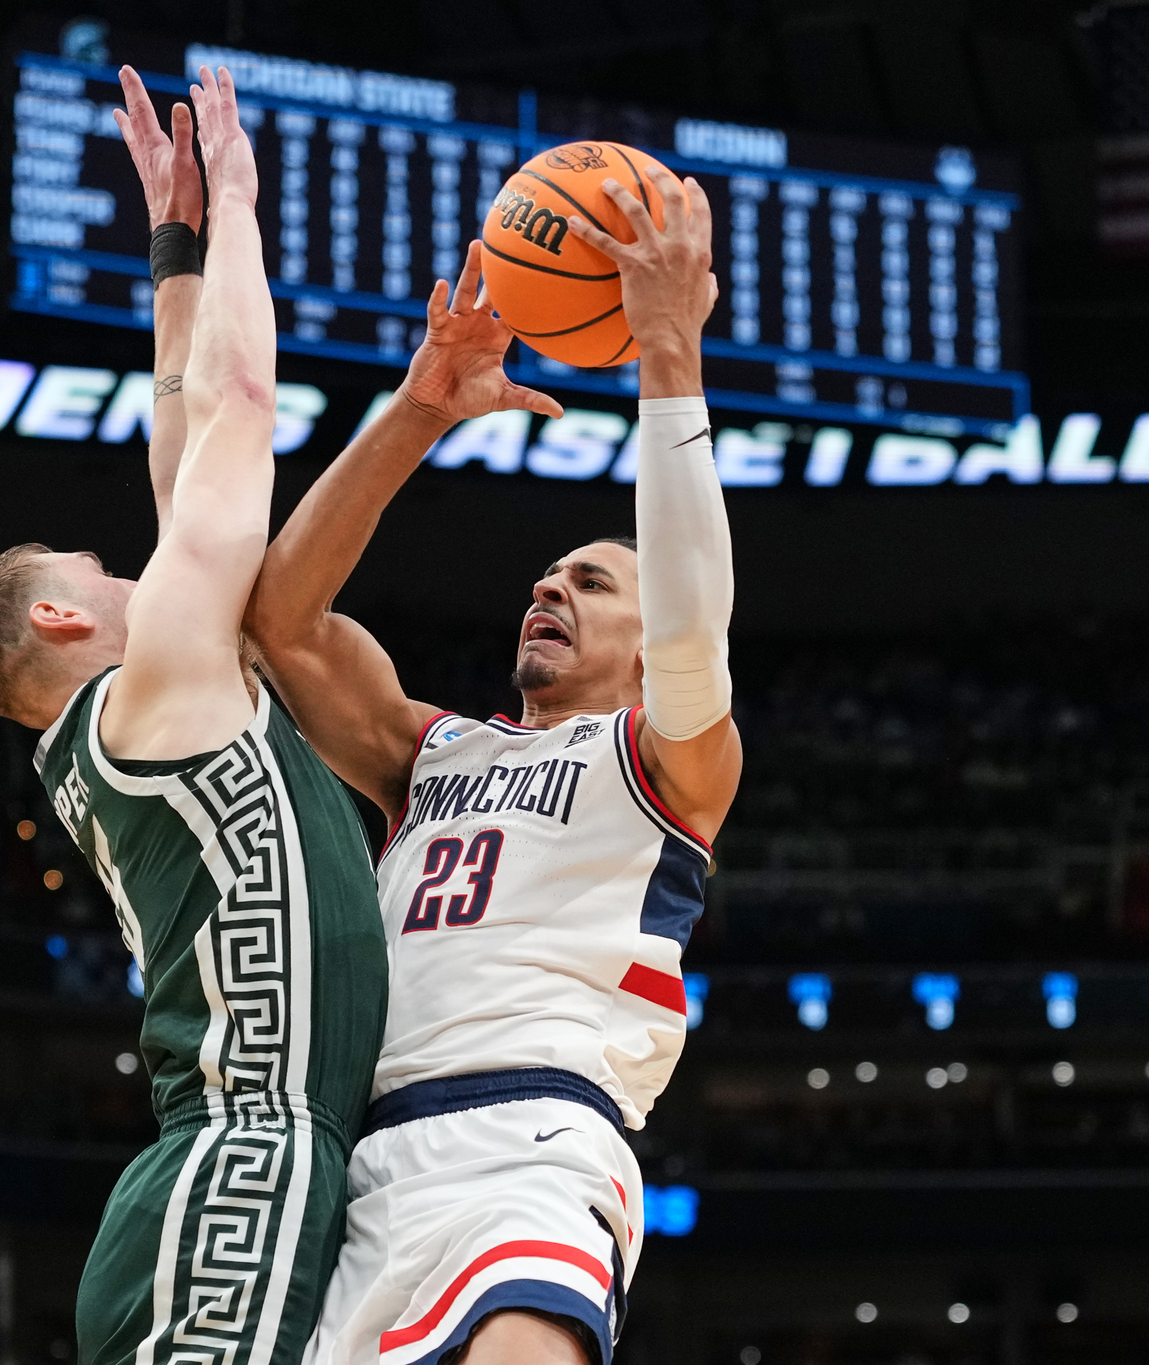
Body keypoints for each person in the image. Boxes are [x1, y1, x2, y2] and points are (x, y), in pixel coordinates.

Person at [0, 67, 386, 1365]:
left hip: (253, 1161)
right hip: (242, 1158)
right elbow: (232, 416)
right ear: (65, 622)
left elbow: (186, 455)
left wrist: (173, 253)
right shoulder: (156, 694)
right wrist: (234, 203)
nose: (139, 569)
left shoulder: (147, 706)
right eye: (101, 574)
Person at [245, 177, 737, 1365]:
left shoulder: (666, 760)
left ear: (640, 636)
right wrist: (417, 411)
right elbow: (285, 622)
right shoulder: (434, 753)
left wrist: (667, 353)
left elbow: (688, 624)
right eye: (545, 577)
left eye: (589, 582)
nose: (547, 588)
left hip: (533, 1136)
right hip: (362, 1170)